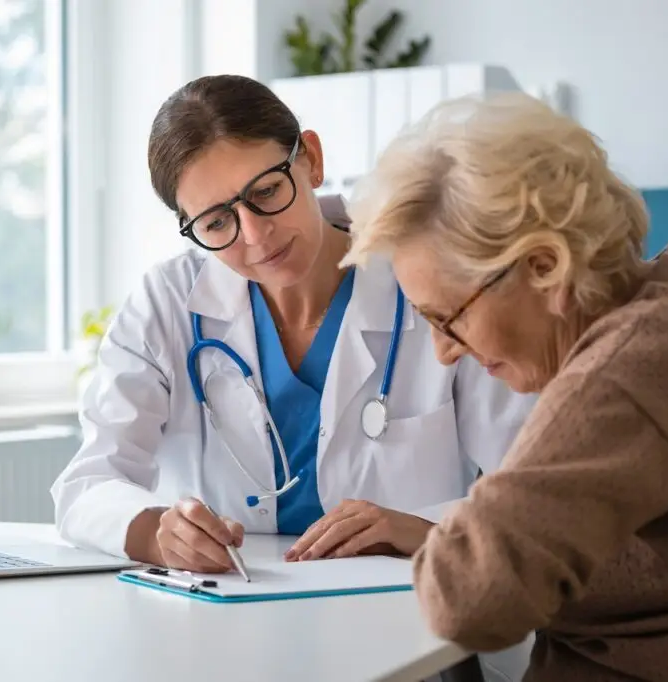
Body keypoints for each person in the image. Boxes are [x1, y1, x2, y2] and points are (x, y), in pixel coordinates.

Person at [51, 74, 532, 583]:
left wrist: (426, 528)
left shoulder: (426, 280)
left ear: (311, 159)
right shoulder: (166, 305)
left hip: (411, 611)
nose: (256, 235)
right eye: (217, 223)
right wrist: (157, 533)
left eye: (266, 191)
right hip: (227, 620)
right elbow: (87, 484)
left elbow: (536, 485)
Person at [339, 90, 668, 681]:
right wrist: (438, 533)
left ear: (545, 266)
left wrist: (454, 542)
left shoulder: (629, 368)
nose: (445, 352)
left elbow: (468, 599)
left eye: (449, 318)